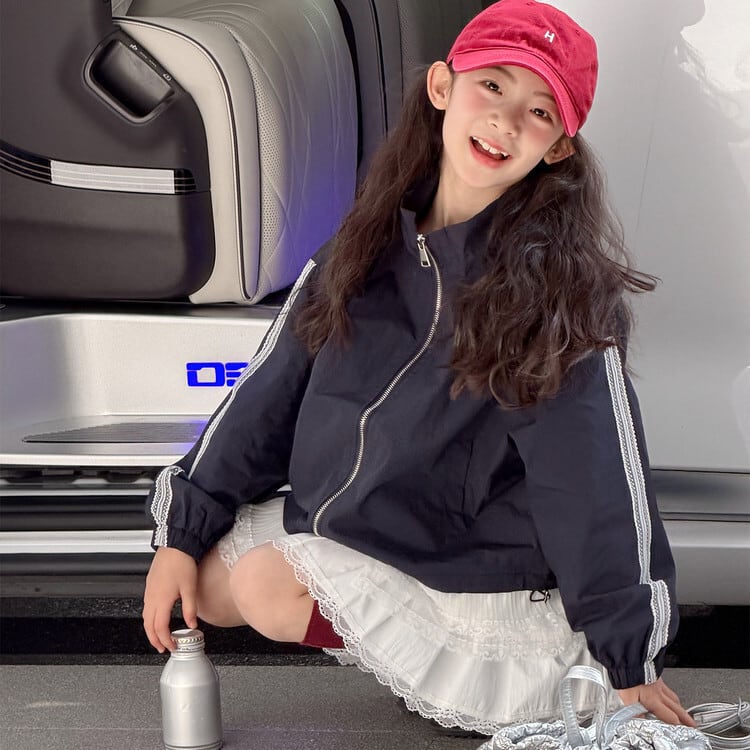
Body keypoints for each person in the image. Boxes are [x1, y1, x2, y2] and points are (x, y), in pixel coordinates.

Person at [143, 0, 696, 734]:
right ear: (442, 86)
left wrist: (629, 658)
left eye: (538, 112)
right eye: (492, 85)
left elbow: (595, 482)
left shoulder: (555, 296)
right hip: (386, 528)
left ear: (558, 148)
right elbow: (267, 395)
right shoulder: (364, 246)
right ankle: (403, 656)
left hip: (488, 572)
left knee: (266, 585)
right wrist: (181, 531)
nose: (505, 121)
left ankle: (496, 684)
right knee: (208, 578)